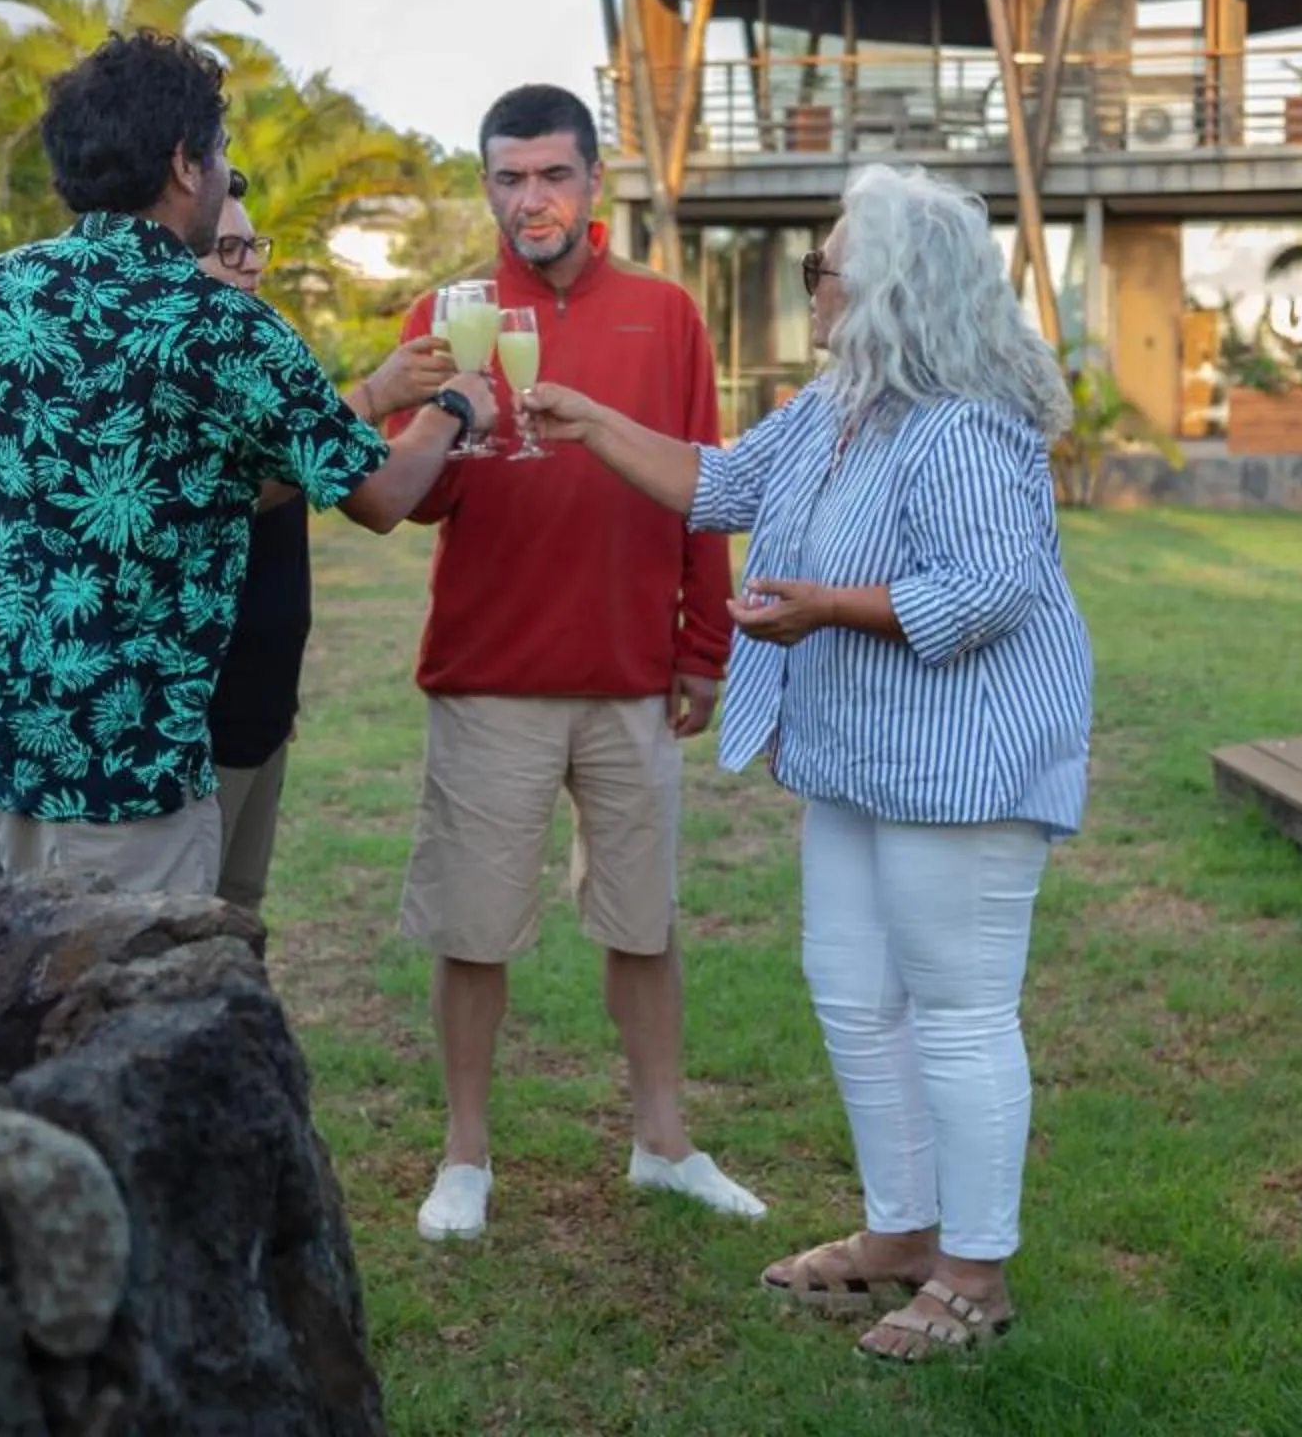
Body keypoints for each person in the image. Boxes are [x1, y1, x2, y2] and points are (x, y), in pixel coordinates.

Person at [527, 162, 1089, 1362]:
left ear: (890, 286)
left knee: (959, 1009)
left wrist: (827, 604)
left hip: (964, 762)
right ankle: (901, 1231)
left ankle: (975, 1277)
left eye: (824, 267)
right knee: (849, 987)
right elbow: (720, 482)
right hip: (857, 755)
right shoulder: (839, 402)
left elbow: (988, 590)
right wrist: (587, 419)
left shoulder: (966, 421)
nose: (812, 285)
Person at [0, 29, 495, 894]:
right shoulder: (230, 329)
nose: (228, 177)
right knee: (124, 1024)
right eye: (223, 156)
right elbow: (380, 495)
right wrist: (454, 409)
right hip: (124, 791)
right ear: (185, 164)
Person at [391, 82, 761, 1244]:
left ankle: (663, 1142)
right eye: (508, 176)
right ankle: (464, 1155)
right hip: (491, 670)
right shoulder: (444, 311)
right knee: (473, 925)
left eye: (553, 173)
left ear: (595, 181)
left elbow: (709, 483)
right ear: (487, 184)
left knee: (642, 922)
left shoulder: (666, 311)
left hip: (629, 673)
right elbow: (414, 496)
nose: (530, 197)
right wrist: (447, 410)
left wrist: (706, 644)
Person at [196, 185, 456, 937]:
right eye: (228, 250)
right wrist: (410, 404)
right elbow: (240, 489)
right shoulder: (187, 366)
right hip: (196, 716)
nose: (251, 268)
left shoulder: (259, 351)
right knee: (185, 922)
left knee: (239, 912)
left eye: (255, 248)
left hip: (260, 703)